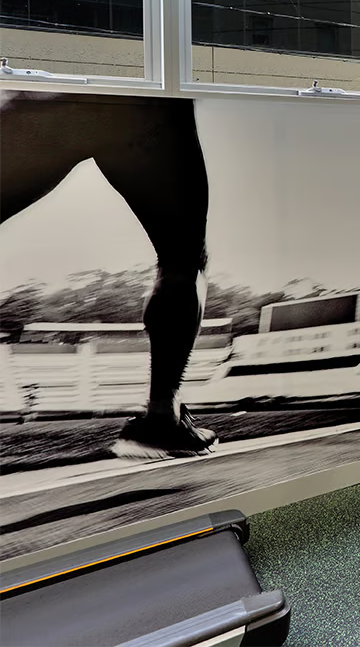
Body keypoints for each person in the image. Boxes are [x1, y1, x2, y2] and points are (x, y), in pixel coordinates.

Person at [1, 91, 216, 460]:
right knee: (183, 258)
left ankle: (163, 417)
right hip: (141, 103)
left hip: (48, 92)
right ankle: (162, 415)